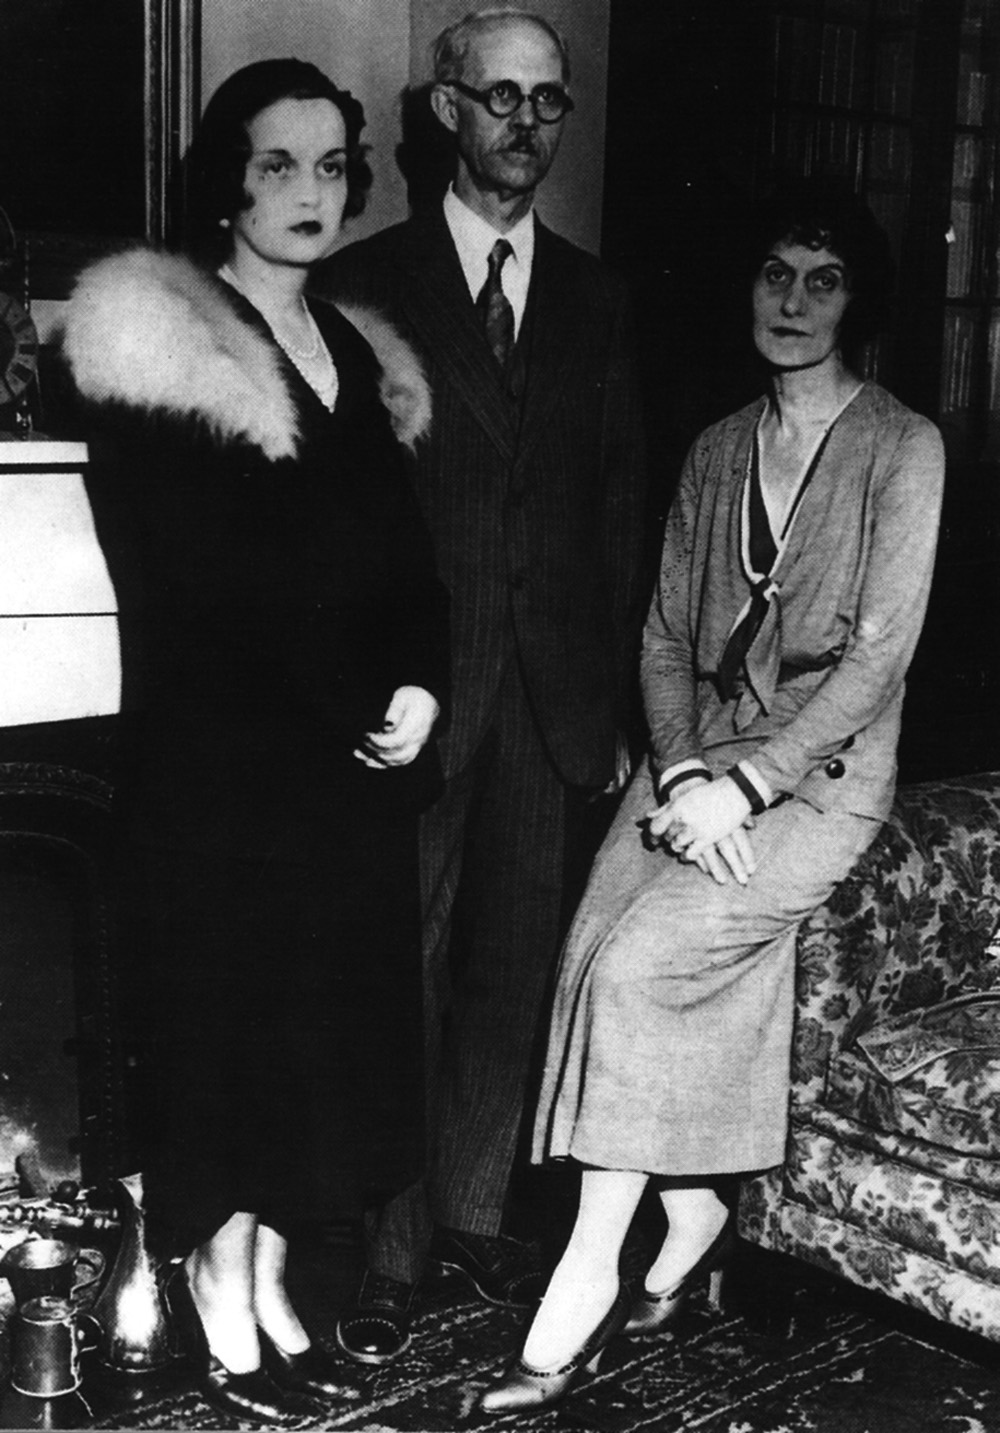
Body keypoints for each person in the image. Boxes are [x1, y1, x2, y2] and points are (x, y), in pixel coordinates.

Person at [476, 176, 946, 1415]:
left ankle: (584, 1281)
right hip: (694, 766)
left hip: (819, 781)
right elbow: (661, 639)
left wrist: (743, 788)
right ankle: (693, 1215)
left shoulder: (903, 448)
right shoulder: (717, 446)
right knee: (590, 947)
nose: (792, 301)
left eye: (823, 280)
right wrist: (683, 770)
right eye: (774, 274)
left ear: (857, 303)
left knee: (641, 968)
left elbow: (876, 661)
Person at [58, 59, 448, 1426]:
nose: (309, 192)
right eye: (277, 163)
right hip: (223, 771)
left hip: (342, 771)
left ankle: (274, 1281)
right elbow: (189, 582)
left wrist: (420, 685)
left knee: (316, 1041)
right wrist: (341, 700)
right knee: (232, 1034)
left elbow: (407, 567)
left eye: (332, 165)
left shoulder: (359, 350)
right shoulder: (154, 334)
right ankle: (220, 1289)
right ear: (227, 178)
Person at [314, 8, 647, 1363]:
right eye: (498, 96)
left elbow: (618, 507)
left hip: (555, 696)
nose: (525, 122)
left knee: (514, 972)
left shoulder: (599, 297)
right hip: (418, 694)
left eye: (546, 99)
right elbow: (339, 514)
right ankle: (392, 1251)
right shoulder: (363, 282)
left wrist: (613, 703)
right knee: (402, 961)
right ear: (445, 109)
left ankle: (466, 1214)